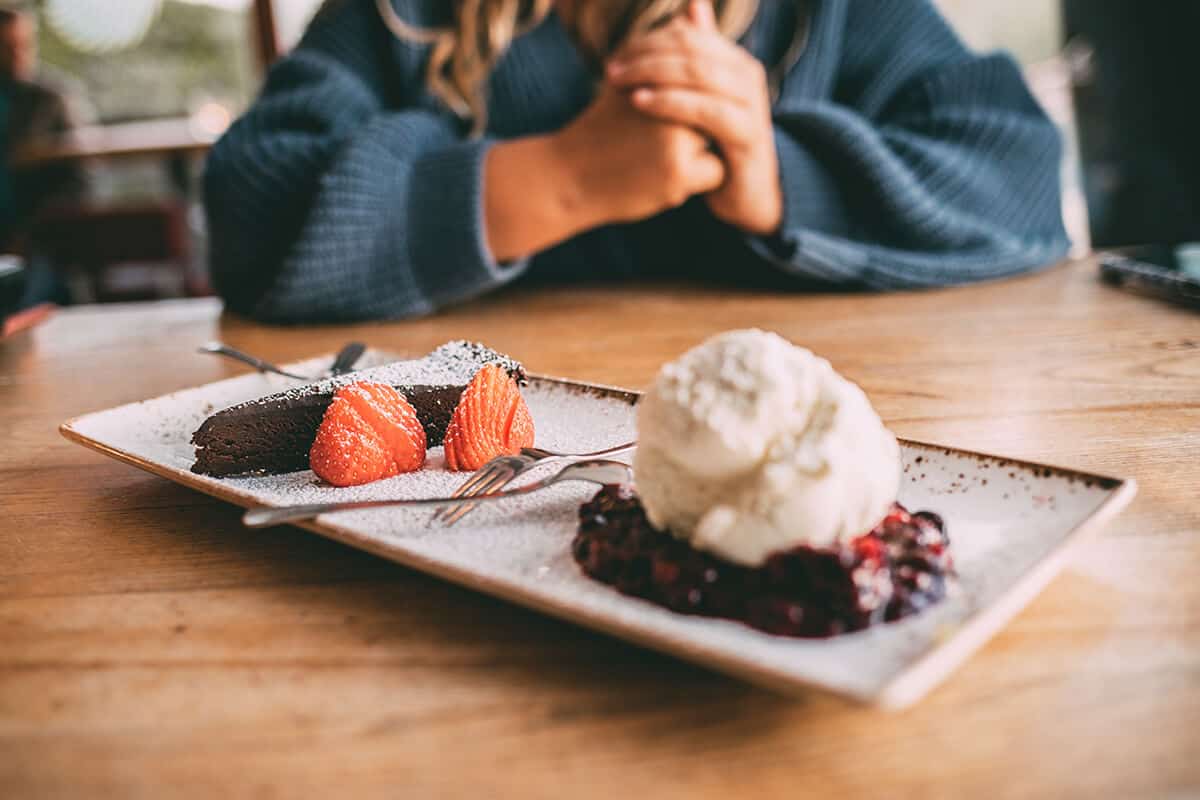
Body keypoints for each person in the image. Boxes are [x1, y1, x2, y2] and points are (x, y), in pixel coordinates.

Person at [205, 0, 1069, 323]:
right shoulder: (395, 18)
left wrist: (778, 179)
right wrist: (560, 178)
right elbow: (248, 213)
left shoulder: (829, 16)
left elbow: (1020, 176)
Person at [0, 6, 87, 249]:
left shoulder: (51, 98)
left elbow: (80, 177)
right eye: (6, 47)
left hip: (37, 231)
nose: (18, 55)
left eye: (24, 45)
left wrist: (39, 226)